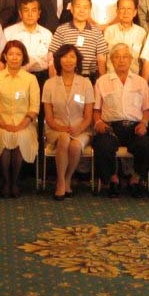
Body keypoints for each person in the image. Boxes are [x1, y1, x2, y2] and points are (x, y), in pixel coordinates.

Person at [92, 44, 149, 198]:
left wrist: (144, 124)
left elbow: (147, 110)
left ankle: (135, 180)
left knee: (146, 145)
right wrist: (98, 123)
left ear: (131, 59)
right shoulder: (102, 81)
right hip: (110, 127)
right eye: (117, 57)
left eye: (125, 57)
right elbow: (96, 110)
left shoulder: (141, 82)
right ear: (111, 60)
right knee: (102, 145)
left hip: (134, 127)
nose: (121, 60)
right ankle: (113, 179)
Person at [0, 40, 41, 198]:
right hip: (0, 123)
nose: (14, 57)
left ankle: (15, 181)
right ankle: (6, 181)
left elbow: (34, 108)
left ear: (23, 57)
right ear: (5, 56)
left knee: (19, 136)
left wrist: (20, 125)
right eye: (11, 54)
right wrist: (3, 124)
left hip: (25, 124)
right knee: (4, 135)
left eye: (18, 54)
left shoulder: (31, 79)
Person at [42, 44, 94, 200]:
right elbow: (49, 118)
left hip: (81, 129)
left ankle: (67, 178)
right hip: (55, 128)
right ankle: (60, 182)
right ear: (59, 60)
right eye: (64, 57)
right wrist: (62, 128)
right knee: (64, 138)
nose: (68, 60)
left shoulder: (85, 83)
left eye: (72, 57)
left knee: (76, 145)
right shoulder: (50, 84)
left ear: (77, 60)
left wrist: (79, 129)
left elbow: (88, 116)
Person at [48, 0, 108, 81]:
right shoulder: (61, 30)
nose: (81, 10)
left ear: (90, 11)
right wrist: (53, 80)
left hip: (89, 77)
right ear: (72, 9)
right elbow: (52, 56)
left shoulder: (96, 32)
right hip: (65, 77)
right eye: (78, 6)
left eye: (85, 7)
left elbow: (101, 58)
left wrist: (103, 81)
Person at [5, 0, 53, 89]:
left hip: (42, 78)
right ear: (20, 13)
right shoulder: (9, 32)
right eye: (26, 10)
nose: (30, 14)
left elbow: (51, 62)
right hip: (16, 77)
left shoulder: (47, 34)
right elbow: (3, 59)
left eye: (33, 10)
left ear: (39, 14)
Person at [103, 0, 146, 74]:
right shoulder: (109, 31)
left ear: (135, 12)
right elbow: (102, 57)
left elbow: (144, 61)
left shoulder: (141, 32)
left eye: (129, 9)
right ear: (117, 11)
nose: (126, 12)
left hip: (133, 77)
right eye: (122, 8)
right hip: (111, 76)